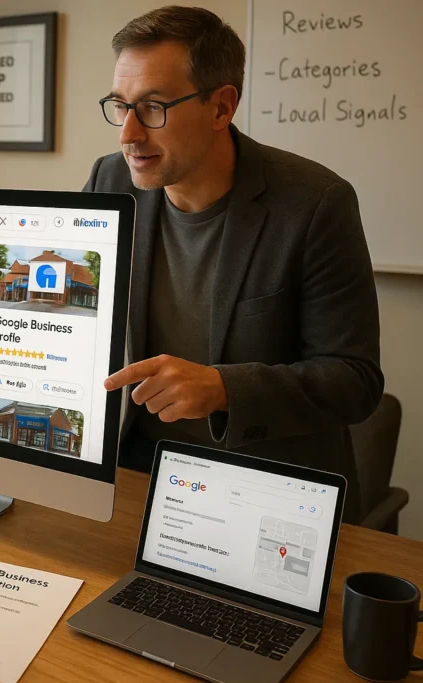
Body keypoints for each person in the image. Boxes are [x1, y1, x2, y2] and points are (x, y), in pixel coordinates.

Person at [87, 6, 383, 522]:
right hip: (138, 477)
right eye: (121, 105)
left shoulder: (315, 204)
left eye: (153, 107)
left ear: (222, 108)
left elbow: (355, 381)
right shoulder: (110, 182)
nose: (128, 134)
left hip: (265, 495)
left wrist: (224, 388)